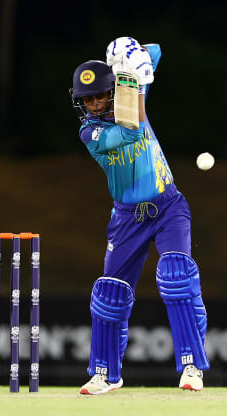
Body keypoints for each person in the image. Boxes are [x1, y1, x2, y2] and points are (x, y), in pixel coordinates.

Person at [69, 37, 210, 395]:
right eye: (86, 100)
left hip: (167, 206)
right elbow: (131, 130)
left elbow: (157, 49)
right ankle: (106, 373)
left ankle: (192, 366)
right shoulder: (90, 132)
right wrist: (138, 84)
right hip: (127, 217)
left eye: (100, 95)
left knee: (177, 275)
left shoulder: (127, 90)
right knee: (110, 294)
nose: (94, 104)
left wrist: (130, 54)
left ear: (113, 91)